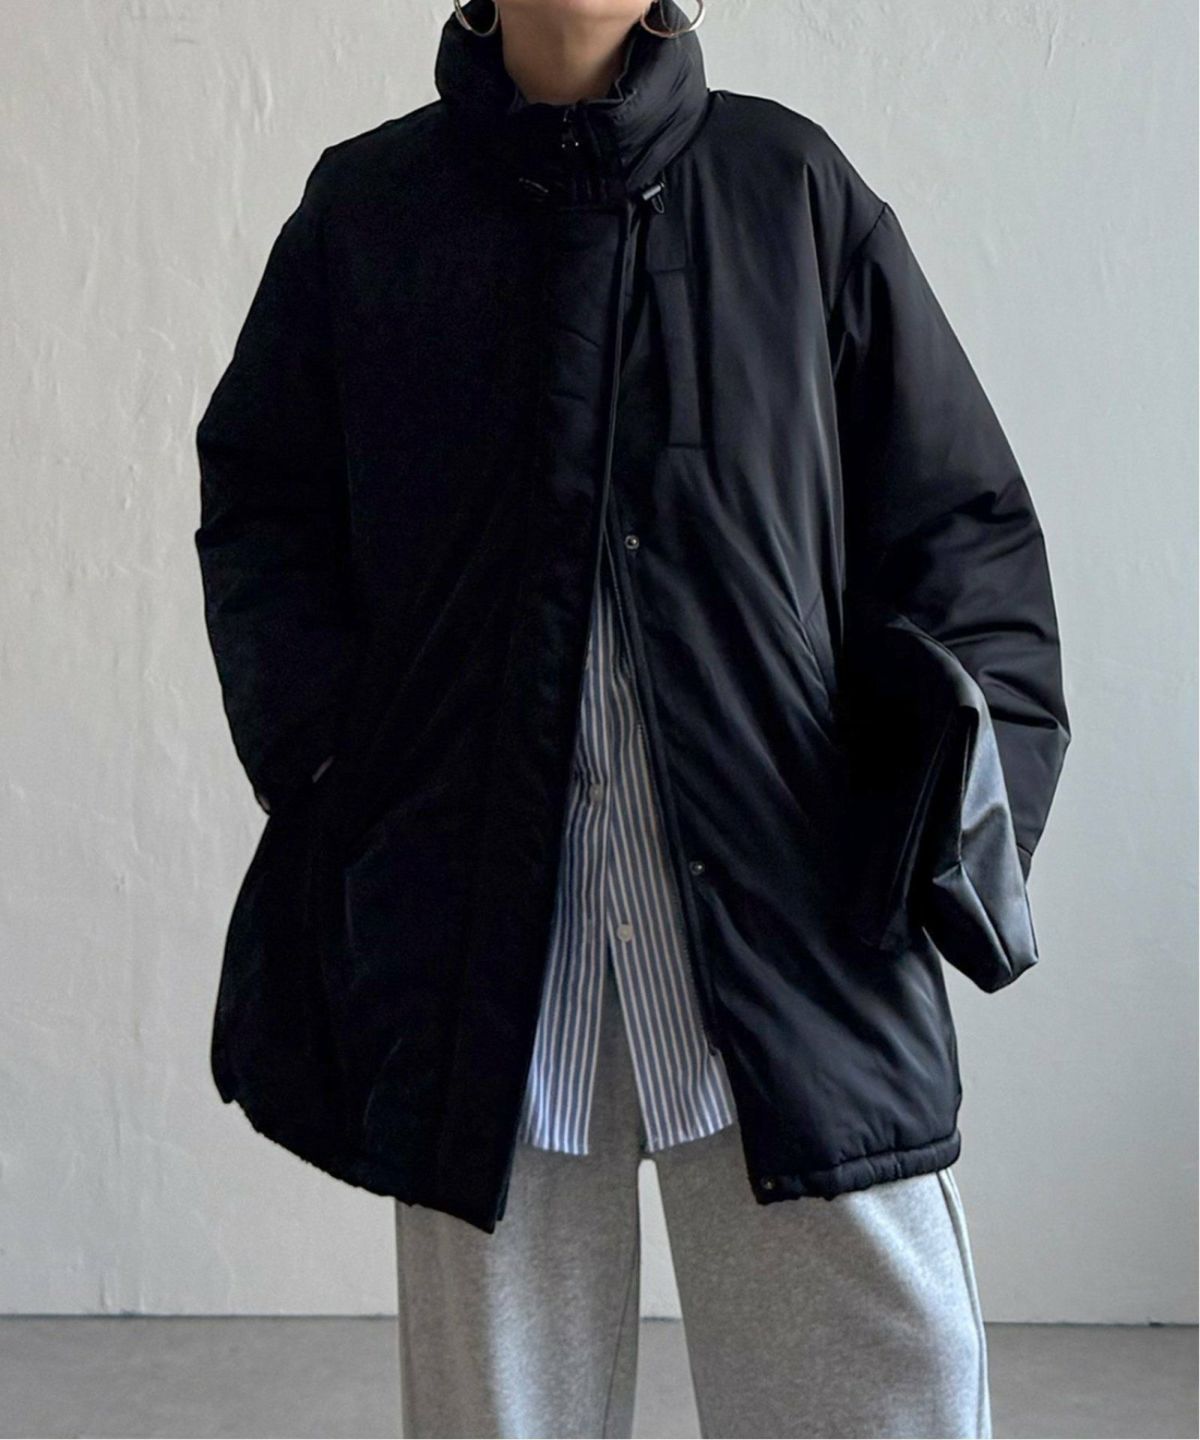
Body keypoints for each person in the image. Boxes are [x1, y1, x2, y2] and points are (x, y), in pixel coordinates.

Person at [194, 1, 1071, 1435]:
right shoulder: (369, 214)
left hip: (789, 931)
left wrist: (949, 830)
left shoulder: (791, 192)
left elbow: (964, 532)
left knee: (887, 1388)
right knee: (498, 1416)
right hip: (484, 943)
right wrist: (340, 766)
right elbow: (263, 507)